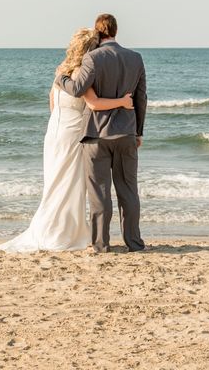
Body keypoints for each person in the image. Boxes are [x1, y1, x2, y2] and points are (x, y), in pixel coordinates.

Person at [0, 28, 134, 252]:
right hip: (73, 132)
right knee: (71, 183)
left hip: (55, 131)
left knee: (54, 181)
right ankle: (65, 233)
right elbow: (94, 104)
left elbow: (52, 102)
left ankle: (48, 229)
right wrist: (122, 102)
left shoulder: (61, 71)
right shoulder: (85, 73)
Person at [55, 14, 147, 253]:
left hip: (97, 134)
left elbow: (77, 89)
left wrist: (61, 78)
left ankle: (101, 244)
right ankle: (134, 243)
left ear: (98, 32)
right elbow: (141, 99)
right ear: (116, 30)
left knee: (100, 191)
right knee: (128, 190)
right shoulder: (136, 58)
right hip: (126, 133)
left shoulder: (92, 58)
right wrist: (138, 132)